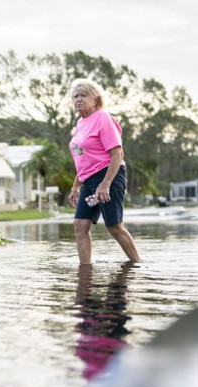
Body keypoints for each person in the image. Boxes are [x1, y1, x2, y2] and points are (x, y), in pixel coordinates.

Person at [67, 78, 140, 265]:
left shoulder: (103, 118)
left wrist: (105, 184)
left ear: (95, 99)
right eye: (75, 96)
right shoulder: (80, 124)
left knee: (114, 226)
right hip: (88, 180)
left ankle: (137, 264)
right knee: (80, 225)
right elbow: (84, 159)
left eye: (83, 95)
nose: (78, 100)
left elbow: (117, 153)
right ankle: (85, 270)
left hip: (109, 175)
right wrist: (76, 186)